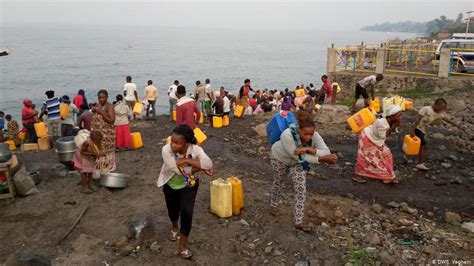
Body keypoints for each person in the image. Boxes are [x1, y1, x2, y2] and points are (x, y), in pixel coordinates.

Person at [269, 111, 337, 232]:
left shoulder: (314, 135)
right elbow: (299, 157)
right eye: (305, 134)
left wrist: (308, 149)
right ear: (298, 129)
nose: (309, 137)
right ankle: (274, 205)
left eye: (311, 134)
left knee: (301, 189)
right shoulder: (287, 135)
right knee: (279, 182)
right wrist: (321, 159)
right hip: (279, 157)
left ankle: (298, 221)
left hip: (297, 163)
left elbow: (326, 151)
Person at [157, 125, 214, 259]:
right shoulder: (166, 150)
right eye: (172, 141)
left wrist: (187, 159)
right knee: (172, 211)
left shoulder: (196, 149)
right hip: (170, 184)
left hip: (189, 185)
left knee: (187, 213)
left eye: (177, 143)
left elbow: (209, 163)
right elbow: (178, 171)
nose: (173, 145)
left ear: (186, 143)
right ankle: (175, 227)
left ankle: (182, 246)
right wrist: (199, 167)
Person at [352, 105, 402, 184]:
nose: (400, 118)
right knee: (366, 157)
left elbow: (384, 133)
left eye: (401, 115)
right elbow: (384, 136)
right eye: (398, 116)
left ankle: (387, 174)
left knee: (387, 154)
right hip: (367, 138)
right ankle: (357, 175)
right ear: (391, 116)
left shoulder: (386, 118)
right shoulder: (381, 123)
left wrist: (394, 125)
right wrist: (393, 126)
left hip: (375, 139)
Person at [411, 98, 460, 171]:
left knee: (421, 146)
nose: (442, 110)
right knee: (424, 146)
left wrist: (455, 124)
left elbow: (445, 119)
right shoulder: (426, 109)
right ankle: (420, 164)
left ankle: (414, 158)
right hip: (417, 128)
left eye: (443, 108)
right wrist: (412, 130)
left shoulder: (439, 113)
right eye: (442, 108)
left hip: (422, 130)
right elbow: (417, 119)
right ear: (436, 105)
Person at [91, 90, 116, 174]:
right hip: (97, 136)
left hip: (107, 136)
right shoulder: (98, 105)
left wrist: (101, 112)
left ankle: (107, 171)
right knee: (97, 152)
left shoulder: (109, 106)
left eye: (103, 97)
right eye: (99, 97)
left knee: (106, 153)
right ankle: (98, 172)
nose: (101, 99)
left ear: (107, 97)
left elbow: (112, 120)